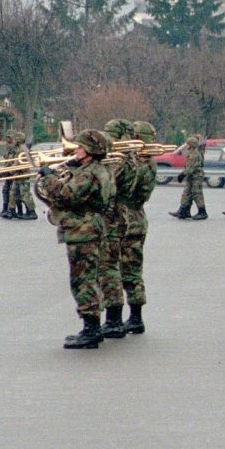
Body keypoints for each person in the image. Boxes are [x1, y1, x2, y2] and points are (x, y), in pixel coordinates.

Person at [35, 128, 116, 349]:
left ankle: (91, 330)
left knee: (82, 281)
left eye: (80, 147)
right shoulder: (100, 170)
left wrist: (49, 177)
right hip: (91, 227)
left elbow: (66, 195)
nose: (75, 150)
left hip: (83, 231)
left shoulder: (88, 173)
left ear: (90, 150)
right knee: (89, 278)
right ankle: (92, 328)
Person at [115, 120, 160, 334]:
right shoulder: (139, 161)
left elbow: (125, 188)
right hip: (130, 217)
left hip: (130, 218)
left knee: (130, 270)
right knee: (126, 269)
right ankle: (131, 317)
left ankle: (135, 317)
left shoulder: (143, 163)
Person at [97, 119, 136, 338]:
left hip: (112, 218)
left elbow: (107, 183)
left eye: (110, 134)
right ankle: (113, 318)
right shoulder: (120, 156)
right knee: (109, 267)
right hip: (114, 216)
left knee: (108, 268)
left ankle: (113, 319)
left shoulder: (121, 159)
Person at [172, 134, 208, 220]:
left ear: (191, 145)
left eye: (188, 144)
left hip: (196, 176)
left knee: (197, 193)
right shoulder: (192, 152)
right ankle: (183, 211)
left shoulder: (195, 154)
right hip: (191, 176)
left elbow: (191, 167)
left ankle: (202, 212)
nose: (186, 145)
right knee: (187, 193)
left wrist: (182, 174)